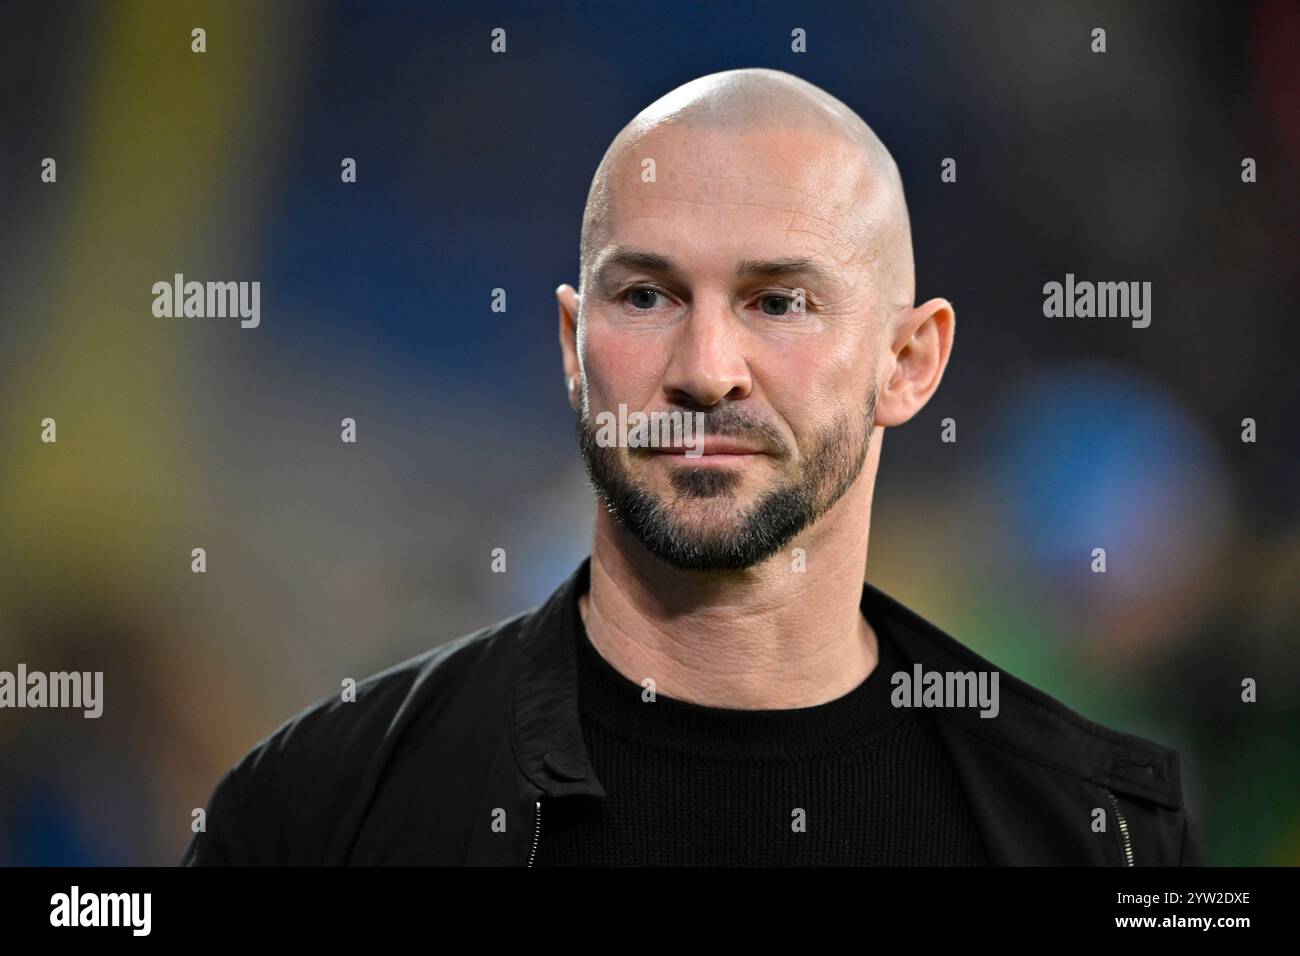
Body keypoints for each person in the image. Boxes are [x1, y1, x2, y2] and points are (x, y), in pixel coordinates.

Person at [182, 68, 1203, 866]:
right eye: (645, 297)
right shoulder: (314, 809)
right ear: (571, 349)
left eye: (777, 301)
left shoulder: (1099, 829)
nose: (706, 373)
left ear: (907, 362)